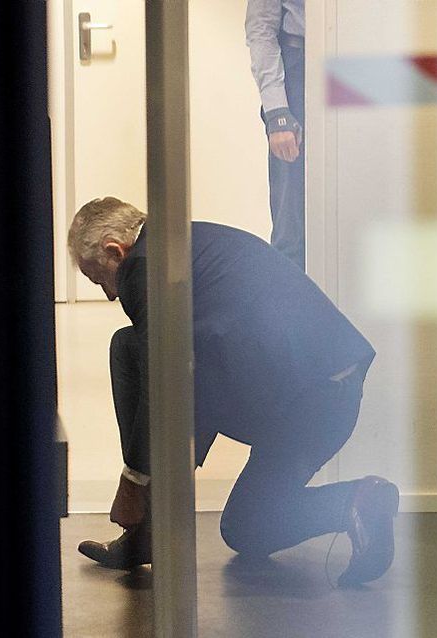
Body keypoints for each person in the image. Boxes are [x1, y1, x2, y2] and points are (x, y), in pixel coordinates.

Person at [69, 196, 398, 587]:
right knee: (245, 526)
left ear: (114, 250)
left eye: (99, 277)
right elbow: (199, 367)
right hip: (323, 395)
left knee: (130, 351)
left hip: (305, 402)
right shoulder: (190, 245)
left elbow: (168, 378)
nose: (109, 293)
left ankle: (147, 529)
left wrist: (134, 481)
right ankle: (357, 501)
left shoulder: (145, 265)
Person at [246, 0, 306, 269]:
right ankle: (291, 307)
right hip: (298, 74)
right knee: (290, 223)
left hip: (361, 63)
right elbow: (261, 28)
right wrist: (278, 113)